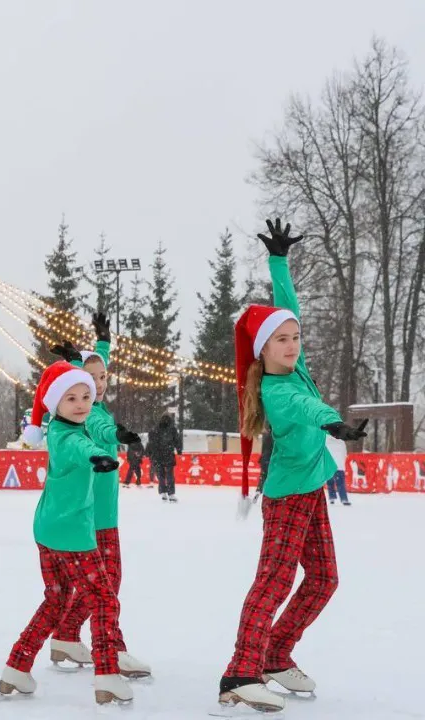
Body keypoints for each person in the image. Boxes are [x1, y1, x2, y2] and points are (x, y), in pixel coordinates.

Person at [220, 219, 368, 713]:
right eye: (280, 340)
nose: (291, 344)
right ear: (262, 349)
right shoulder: (274, 389)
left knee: (324, 579)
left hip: (311, 488)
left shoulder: (296, 367)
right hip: (286, 496)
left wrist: (279, 261)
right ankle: (240, 672)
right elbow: (307, 410)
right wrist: (334, 424)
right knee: (274, 581)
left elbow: (289, 308)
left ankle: (276, 654)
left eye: (295, 337)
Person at [0, 361, 132, 707]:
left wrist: (112, 439)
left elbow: (91, 434)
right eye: (71, 397)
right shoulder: (68, 435)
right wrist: (100, 457)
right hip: (72, 532)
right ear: (55, 403)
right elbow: (81, 448)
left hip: (47, 528)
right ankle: (107, 674)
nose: (81, 403)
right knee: (103, 599)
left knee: (56, 599)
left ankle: (17, 666)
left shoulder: (64, 427)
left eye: (86, 396)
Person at [48, 314, 151, 679]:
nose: (99, 385)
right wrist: (118, 431)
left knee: (96, 584)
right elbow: (99, 424)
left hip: (102, 511)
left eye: (104, 377)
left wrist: (103, 340)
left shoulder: (97, 404)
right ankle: (113, 648)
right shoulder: (89, 414)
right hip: (97, 515)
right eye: (91, 380)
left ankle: (65, 635)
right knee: (108, 584)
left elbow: (92, 371)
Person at [151, 415, 181, 502]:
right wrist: (179, 450)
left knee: (161, 475)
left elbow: (153, 442)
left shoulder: (156, 429)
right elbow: (177, 440)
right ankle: (171, 494)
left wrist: (152, 453)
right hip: (168, 454)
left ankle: (163, 492)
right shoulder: (172, 429)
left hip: (158, 455)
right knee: (170, 475)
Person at [325, 436, 350, 505]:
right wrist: (342, 461)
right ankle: (344, 499)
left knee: (330, 483)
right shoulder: (341, 441)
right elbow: (344, 453)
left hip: (329, 465)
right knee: (341, 483)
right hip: (339, 465)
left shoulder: (326, 440)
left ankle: (332, 498)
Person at [254, 426, 273, 501]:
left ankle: (258, 491)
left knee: (263, 476)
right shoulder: (275, 437)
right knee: (269, 477)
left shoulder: (266, 437)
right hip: (270, 460)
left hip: (264, 460)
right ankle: (269, 495)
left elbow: (263, 449)